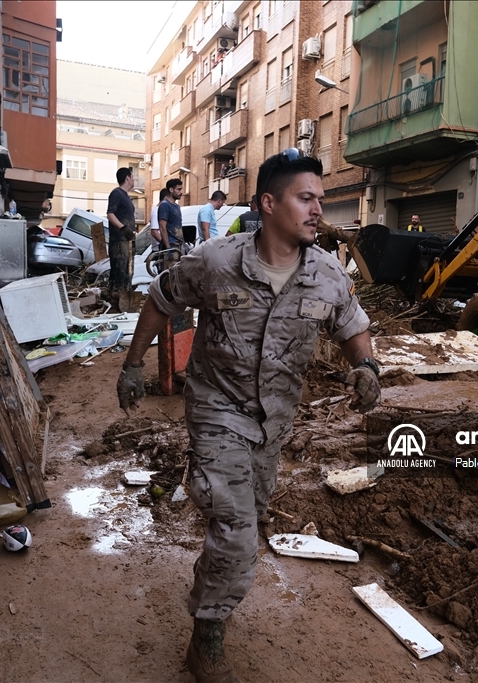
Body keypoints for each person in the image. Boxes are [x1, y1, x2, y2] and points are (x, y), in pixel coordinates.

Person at [115, 149, 382, 683]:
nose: (316, 211)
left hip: (275, 423)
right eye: (306, 199)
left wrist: (367, 366)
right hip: (217, 411)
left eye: (320, 200)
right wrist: (132, 363)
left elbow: (352, 324)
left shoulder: (328, 274)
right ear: (269, 203)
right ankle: (206, 644)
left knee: (249, 521)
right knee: (236, 532)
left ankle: (217, 582)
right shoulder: (216, 261)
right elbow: (161, 299)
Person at [106, 167, 137, 307]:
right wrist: (123, 228)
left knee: (126, 272)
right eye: (133, 176)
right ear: (127, 178)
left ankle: (123, 302)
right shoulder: (117, 193)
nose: (134, 179)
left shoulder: (126, 196)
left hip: (127, 241)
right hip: (119, 240)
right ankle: (115, 300)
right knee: (119, 270)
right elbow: (110, 214)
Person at [157, 178, 185, 253]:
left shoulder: (177, 206)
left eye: (181, 189)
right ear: (171, 190)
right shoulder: (164, 205)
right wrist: (168, 247)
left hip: (178, 245)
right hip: (171, 245)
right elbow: (162, 227)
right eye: (178, 189)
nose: (181, 192)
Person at [149, 188, 170, 253]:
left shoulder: (162, 211)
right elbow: (154, 232)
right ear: (166, 198)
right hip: (159, 249)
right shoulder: (156, 212)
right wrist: (165, 244)